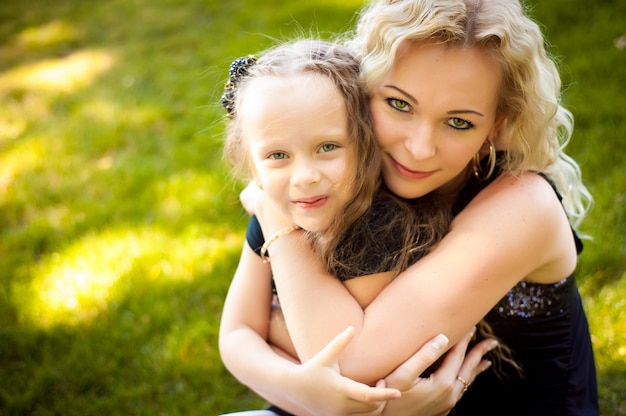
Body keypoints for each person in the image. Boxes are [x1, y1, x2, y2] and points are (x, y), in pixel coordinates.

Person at [249, 0, 598, 415]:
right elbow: (238, 337)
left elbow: (346, 363)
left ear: (497, 125)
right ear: (363, 88)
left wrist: (273, 216)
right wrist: (312, 392)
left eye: (459, 122)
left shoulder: (525, 206)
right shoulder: (333, 169)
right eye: (399, 104)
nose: (418, 149)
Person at [218, 38, 496, 415]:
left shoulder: (380, 225)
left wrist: (274, 330)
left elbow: (346, 366)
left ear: (365, 141)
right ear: (253, 165)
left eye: (328, 147)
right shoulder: (277, 211)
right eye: (277, 155)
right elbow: (236, 335)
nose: (304, 177)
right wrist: (296, 384)